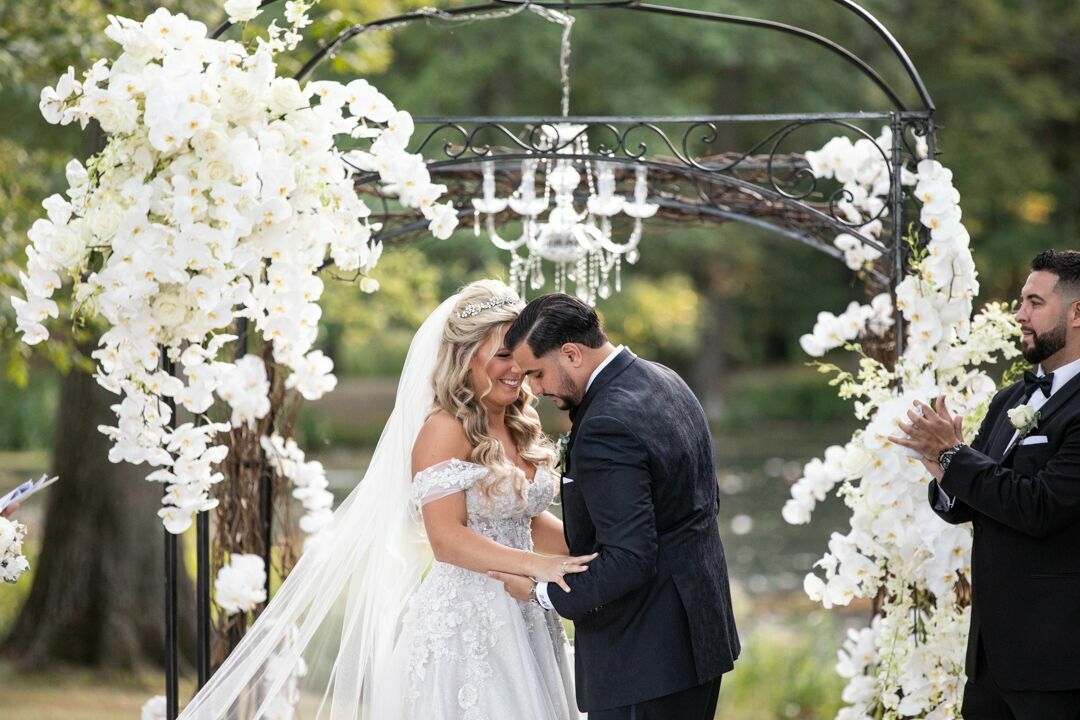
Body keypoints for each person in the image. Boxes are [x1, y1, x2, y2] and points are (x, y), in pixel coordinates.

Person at [179, 279, 590, 719]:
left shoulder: (518, 421)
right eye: (503, 355)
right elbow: (446, 539)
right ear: (466, 354)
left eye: (522, 357)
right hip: (469, 623)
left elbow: (524, 520)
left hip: (529, 611)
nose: (517, 369)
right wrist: (536, 565)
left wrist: (594, 550)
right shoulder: (444, 429)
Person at [492, 293, 741, 720]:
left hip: (643, 658)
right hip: (699, 638)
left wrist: (540, 592)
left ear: (571, 353)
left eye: (537, 373)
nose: (534, 389)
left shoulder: (605, 423)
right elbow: (702, 501)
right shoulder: (664, 379)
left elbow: (629, 559)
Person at [891, 249, 1080, 719]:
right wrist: (942, 466)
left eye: (1035, 302)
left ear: (1077, 313)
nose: (1020, 315)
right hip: (990, 659)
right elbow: (968, 502)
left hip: (1059, 661)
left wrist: (954, 456)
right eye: (1021, 301)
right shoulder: (1009, 399)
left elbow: (1041, 507)